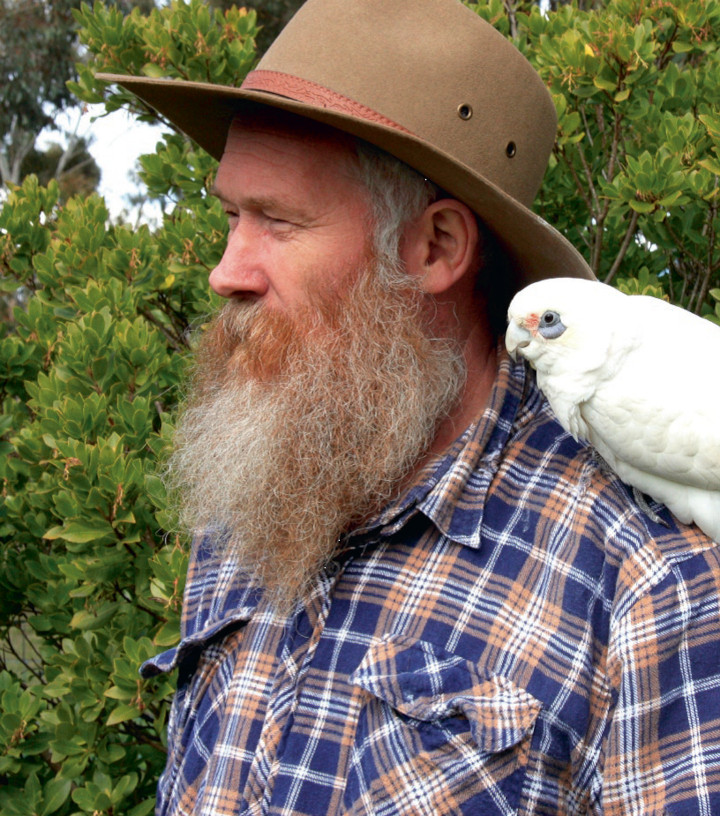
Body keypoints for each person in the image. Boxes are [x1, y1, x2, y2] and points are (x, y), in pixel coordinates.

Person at [100, 0, 720, 813]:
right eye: (231, 216)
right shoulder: (254, 501)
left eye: (278, 222)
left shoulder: (644, 584)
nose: (227, 270)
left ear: (436, 248)